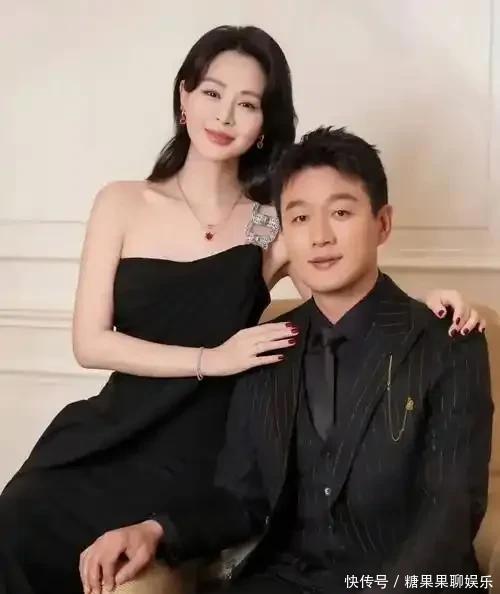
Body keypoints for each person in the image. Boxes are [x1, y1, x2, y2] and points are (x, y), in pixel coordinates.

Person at [0, 24, 482, 594]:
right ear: (184, 97)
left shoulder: (268, 220)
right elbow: (89, 343)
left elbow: (342, 278)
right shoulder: (123, 203)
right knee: (15, 523)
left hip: (198, 449)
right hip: (110, 429)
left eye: (248, 104)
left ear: (264, 124)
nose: (225, 116)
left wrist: (429, 306)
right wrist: (212, 358)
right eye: (212, 93)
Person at [82, 127, 493, 594]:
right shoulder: (266, 346)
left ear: (382, 224)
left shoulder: (449, 341)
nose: (319, 237)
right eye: (299, 218)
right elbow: (240, 500)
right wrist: (155, 530)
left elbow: (450, 511)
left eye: (340, 213)